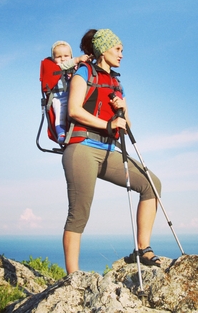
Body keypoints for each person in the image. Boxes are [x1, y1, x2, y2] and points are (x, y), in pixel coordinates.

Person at [61, 28, 162, 274]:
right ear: (103, 50)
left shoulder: (117, 83)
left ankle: (142, 249)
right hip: (81, 148)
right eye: (118, 49)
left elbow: (127, 127)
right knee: (79, 213)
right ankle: (73, 276)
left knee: (152, 184)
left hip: (107, 150)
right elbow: (74, 110)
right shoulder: (83, 73)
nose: (122, 54)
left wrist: (123, 109)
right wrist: (108, 124)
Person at [50, 41, 90, 142]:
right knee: (60, 115)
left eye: (66, 56)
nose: (62, 59)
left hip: (72, 96)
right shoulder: (55, 67)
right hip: (59, 98)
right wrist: (76, 59)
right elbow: (64, 66)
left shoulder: (75, 67)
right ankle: (61, 134)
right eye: (58, 57)